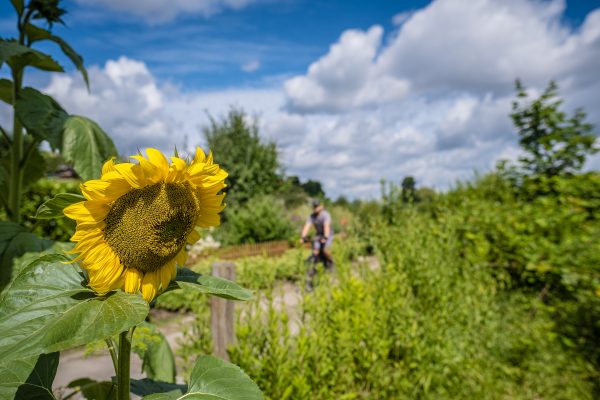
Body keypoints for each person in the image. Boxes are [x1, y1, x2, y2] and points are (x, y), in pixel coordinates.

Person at [300, 200, 334, 290]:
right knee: (315, 252)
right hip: (318, 235)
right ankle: (314, 270)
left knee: (325, 250)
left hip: (327, 235)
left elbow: (326, 226)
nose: (315, 208)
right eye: (314, 206)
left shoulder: (325, 215)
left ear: (321, 206)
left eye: (317, 206)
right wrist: (303, 237)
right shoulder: (312, 216)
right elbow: (307, 226)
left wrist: (325, 237)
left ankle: (330, 262)